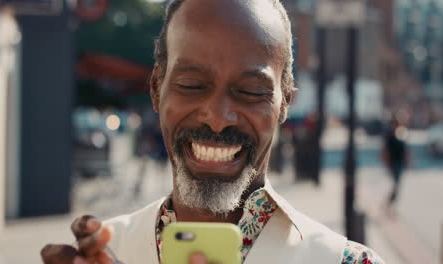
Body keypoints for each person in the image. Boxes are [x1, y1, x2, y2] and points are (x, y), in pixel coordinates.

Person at [41, 0, 385, 263]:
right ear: (157, 88)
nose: (218, 118)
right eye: (192, 85)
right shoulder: (106, 249)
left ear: (285, 103)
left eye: (251, 91)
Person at [381, 117, 409, 210]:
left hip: (399, 163)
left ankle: (389, 205)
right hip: (394, 163)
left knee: (397, 186)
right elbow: (385, 151)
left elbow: (405, 149)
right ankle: (388, 204)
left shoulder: (401, 133)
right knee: (396, 186)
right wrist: (387, 163)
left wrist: (408, 161)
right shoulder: (390, 136)